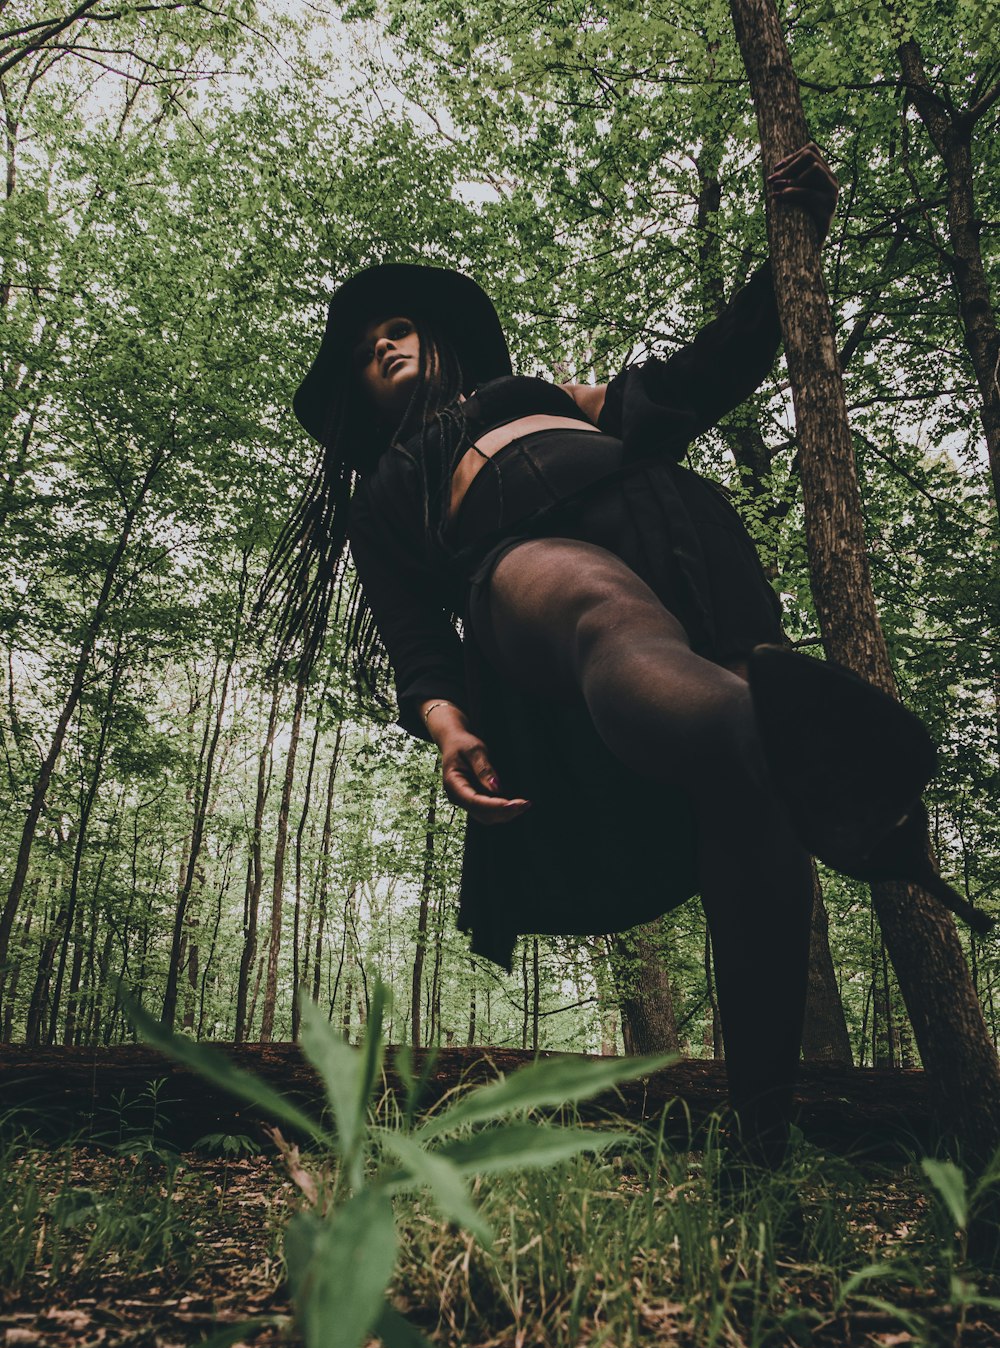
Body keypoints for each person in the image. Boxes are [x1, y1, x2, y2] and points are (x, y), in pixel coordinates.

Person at [265, 142, 985, 1168]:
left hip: (667, 531)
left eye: (398, 327)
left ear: (438, 341)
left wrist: (795, 242)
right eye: (365, 348)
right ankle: (765, 725)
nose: (383, 346)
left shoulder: (540, 392)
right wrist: (447, 724)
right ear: (357, 392)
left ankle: (762, 1146)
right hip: (525, 573)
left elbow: (698, 380)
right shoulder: (385, 498)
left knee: (750, 809)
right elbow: (413, 638)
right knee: (609, 617)